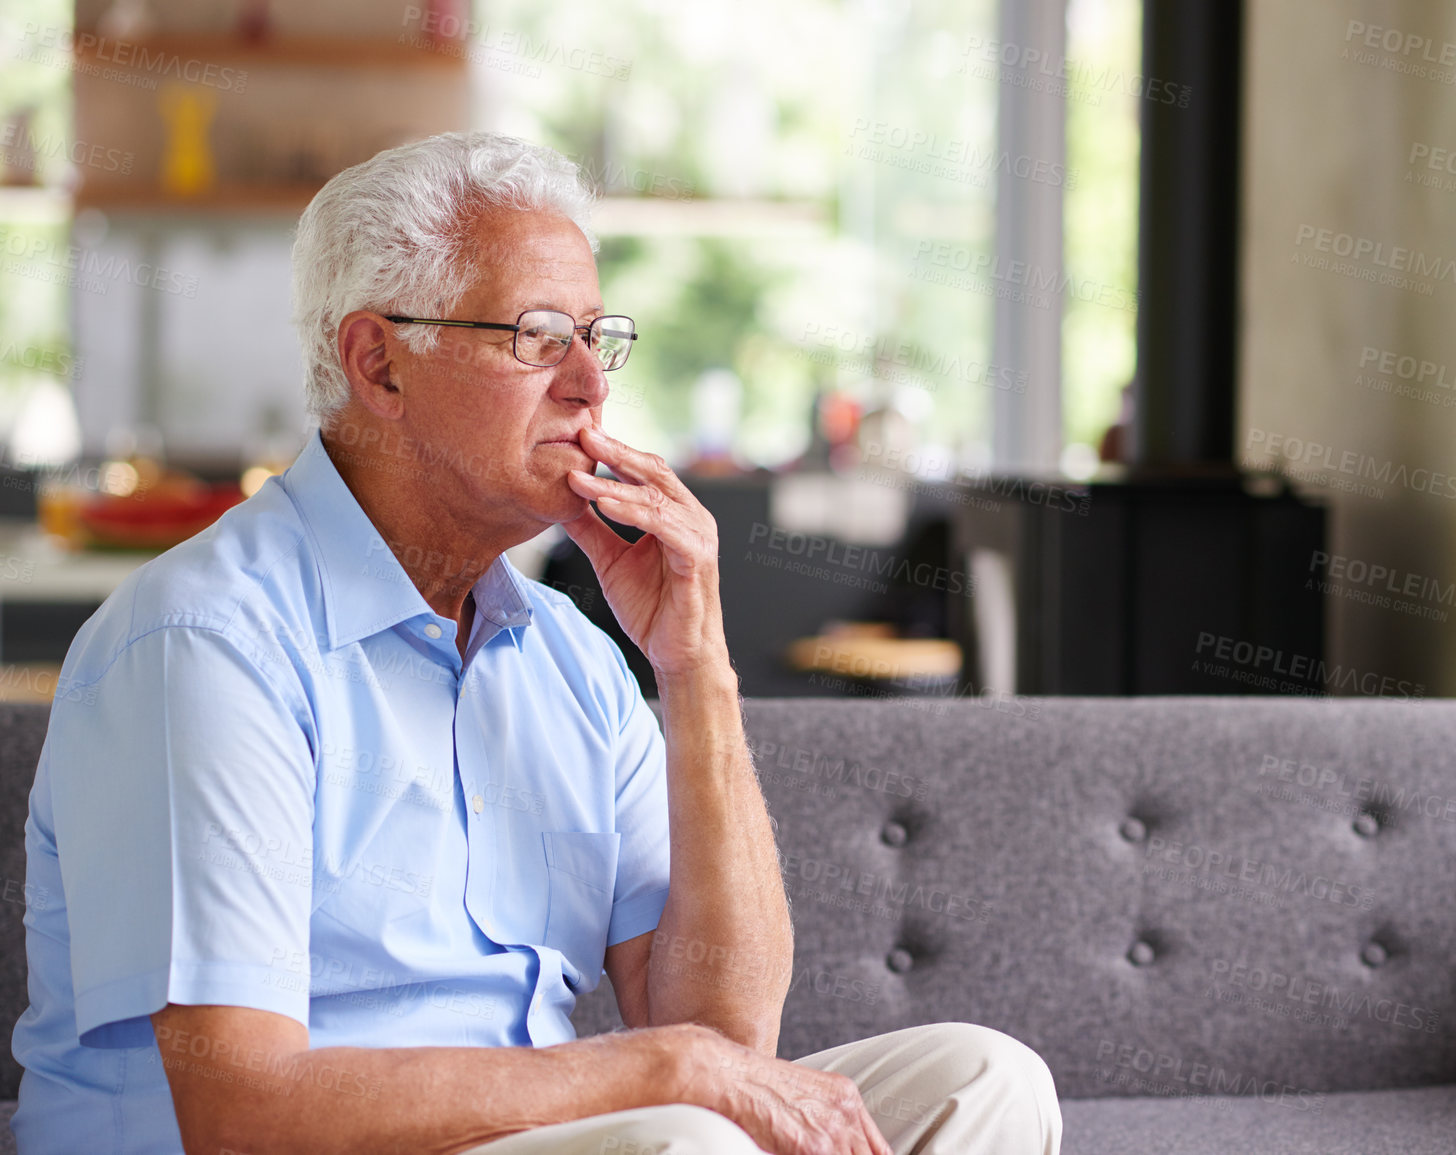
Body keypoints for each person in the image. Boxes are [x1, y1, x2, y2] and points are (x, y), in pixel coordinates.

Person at [9, 132, 1062, 1155]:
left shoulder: (570, 657)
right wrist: (662, 1073)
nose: (591, 385)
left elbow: (730, 1037)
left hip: (563, 1133)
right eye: (537, 337)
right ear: (379, 363)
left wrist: (696, 669)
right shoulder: (208, 644)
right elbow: (241, 1115)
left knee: (981, 1082)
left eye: (596, 339)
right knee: (687, 1136)